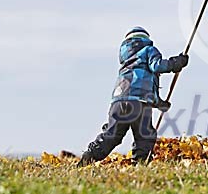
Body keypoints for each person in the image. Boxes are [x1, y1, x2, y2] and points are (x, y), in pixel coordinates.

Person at [78, 26, 188, 166]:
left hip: (118, 102)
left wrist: (159, 103)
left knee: (112, 135)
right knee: (144, 136)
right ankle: (140, 164)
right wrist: (176, 63)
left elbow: (136, 87)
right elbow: (157, 66)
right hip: (139, 104)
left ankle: (90, 156)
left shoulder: (126, 61)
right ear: (146, 40)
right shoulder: (148, 50)